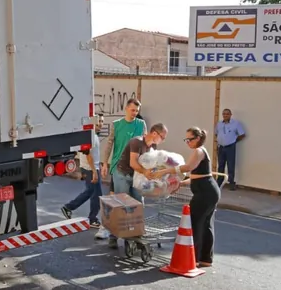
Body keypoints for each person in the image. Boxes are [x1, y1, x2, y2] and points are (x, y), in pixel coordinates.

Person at [152, 127, 221, 267]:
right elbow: (198, 176)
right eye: (186, 140)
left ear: (197, 139)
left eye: (189, 139)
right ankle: (206, 259)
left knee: (195, 223)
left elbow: (187, 168)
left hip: (205, 192)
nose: (187, 142)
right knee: (206, 224)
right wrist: (181, 182)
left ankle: (193, 258)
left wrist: (166, 170)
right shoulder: (200, 151)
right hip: (208, 190)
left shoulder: (199, 151)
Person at [101, 122, 168, 248]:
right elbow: (133, 163)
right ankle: (113, 236)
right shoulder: (136, 142)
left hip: (136, 177)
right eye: (162, 137)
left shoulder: (153, 147)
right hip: (123, 174)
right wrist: (145, 172)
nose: (162, 140)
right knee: (122, 205)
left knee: (138, 205)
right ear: (154, 133)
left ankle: (135, 236)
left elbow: (150, 164)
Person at [60, 123, 103, 228]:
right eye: (98, 123)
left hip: (91, 168)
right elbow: (89, 156)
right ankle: (92, 219)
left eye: (102, 121)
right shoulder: (91, 135)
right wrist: (94, 171)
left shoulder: (94, 135)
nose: (100, 124)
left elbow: (94, 154)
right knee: (97, 195)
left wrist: (99, 166)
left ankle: (68, 207)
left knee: (90, 191)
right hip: (90, 168)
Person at [215, 108, 246, 190]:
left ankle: (231, 182)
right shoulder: (219, 124)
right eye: (224, 114)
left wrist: (234, 141)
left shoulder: (235, 124)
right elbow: (216, 134)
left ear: (230, 115)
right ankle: (219, 181)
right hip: (221, 147)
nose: (225, 115)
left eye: (227, 114)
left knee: (230, 165)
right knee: (220, 165)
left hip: (230, 147)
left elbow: (242, 134)